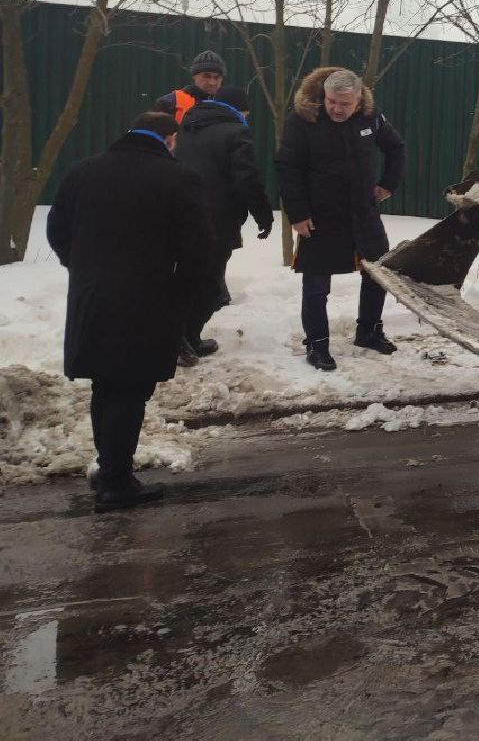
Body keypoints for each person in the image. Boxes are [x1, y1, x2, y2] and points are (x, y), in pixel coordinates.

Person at [46, 112, 212, 512]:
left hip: (92, 297)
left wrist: (83, 268)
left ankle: (109, 469)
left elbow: (56, 229)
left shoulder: (83, 171)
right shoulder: (179, 179)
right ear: (169, 139)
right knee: (130, 387)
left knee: (105, 383)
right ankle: (116, 482)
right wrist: (181, 291)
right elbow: (199, 249)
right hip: (149, 298)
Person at [275, 67, 406, 371]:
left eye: (344, 104)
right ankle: (317, 345)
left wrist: (388, 183)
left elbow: (396, 147)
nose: (336, 108)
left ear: (359, 100)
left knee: (377, 273)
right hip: (320, 217)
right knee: (317, 285)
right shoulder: (304, 120)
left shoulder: (371, 118)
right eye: (332, 101)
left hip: (363, 211)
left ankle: (369, 331)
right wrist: (298, 213)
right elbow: (287, 167)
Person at [175, 84, 274, 359]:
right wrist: (263, 215)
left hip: (179, 216)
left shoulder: (186, 127)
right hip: (215, 220)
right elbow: (247, 180)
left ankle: (180, 336)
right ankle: (184, 338)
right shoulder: (236, 131)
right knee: (210, 284)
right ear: (240, 110)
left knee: (185, 279)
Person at [154, 49, 227, 123]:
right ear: (194, 76)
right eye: (206, 76)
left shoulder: (228, 103)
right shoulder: (171, 102)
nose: (212, 83)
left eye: (217, 77)